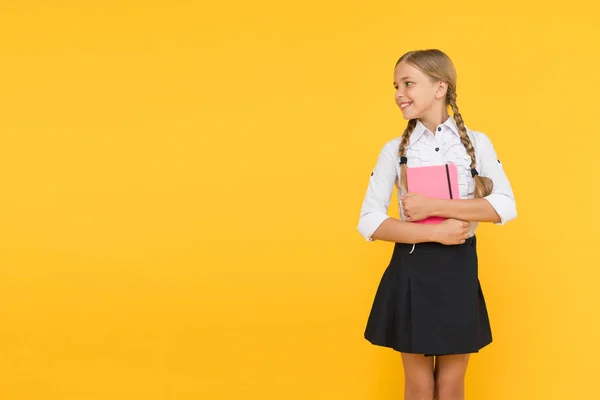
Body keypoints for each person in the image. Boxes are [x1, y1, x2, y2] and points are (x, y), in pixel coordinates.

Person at [357, 49, 517, 400]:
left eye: (408, 83)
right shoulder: (393, 150)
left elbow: (505, 206)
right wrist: (434, 232)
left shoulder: (476, 143)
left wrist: (435, 206)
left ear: (440, 87)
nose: (399, 93)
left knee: (450, 384)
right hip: (410, 268)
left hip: (458, 269)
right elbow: (369, 221)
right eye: (396, 85)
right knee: (417, 384)